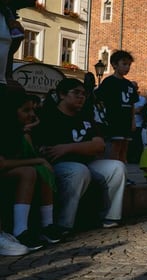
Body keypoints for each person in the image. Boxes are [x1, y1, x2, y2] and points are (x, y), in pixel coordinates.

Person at [33, 78, 126, 232]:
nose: (81, 97)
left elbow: (99, 145)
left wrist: (67, 148)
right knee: (78, 171)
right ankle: (63, 224)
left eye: (84, 94)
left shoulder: (84, 116)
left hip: (86, 163)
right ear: (62, 95)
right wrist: (84, 147)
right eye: (76, 93)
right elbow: (49, 151)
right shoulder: (48, 116)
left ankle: (110, 216)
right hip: (60, 167)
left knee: (117, 167)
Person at [0, 90, 63, 250]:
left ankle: (47, 225)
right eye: (26, 110)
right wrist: (39, 160)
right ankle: (20, 229)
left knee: (42, 170)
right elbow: (3, 163)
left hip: (10, 171)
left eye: (32, 110)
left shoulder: (20, 130)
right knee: (30, 171)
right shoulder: (4, 131)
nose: (32, 114)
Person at [94, 50, 139, 165]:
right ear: (114, 65)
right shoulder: (109, 82)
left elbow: (132, 104)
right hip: (114, 120)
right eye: (124, 64)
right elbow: (99, 99)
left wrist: (133, 121)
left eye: (129, 65)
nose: (127, 67)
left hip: (126, 121)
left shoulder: (129, 84)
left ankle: (123, 171)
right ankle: (114, 170)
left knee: (124, 147)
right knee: (115, 147)